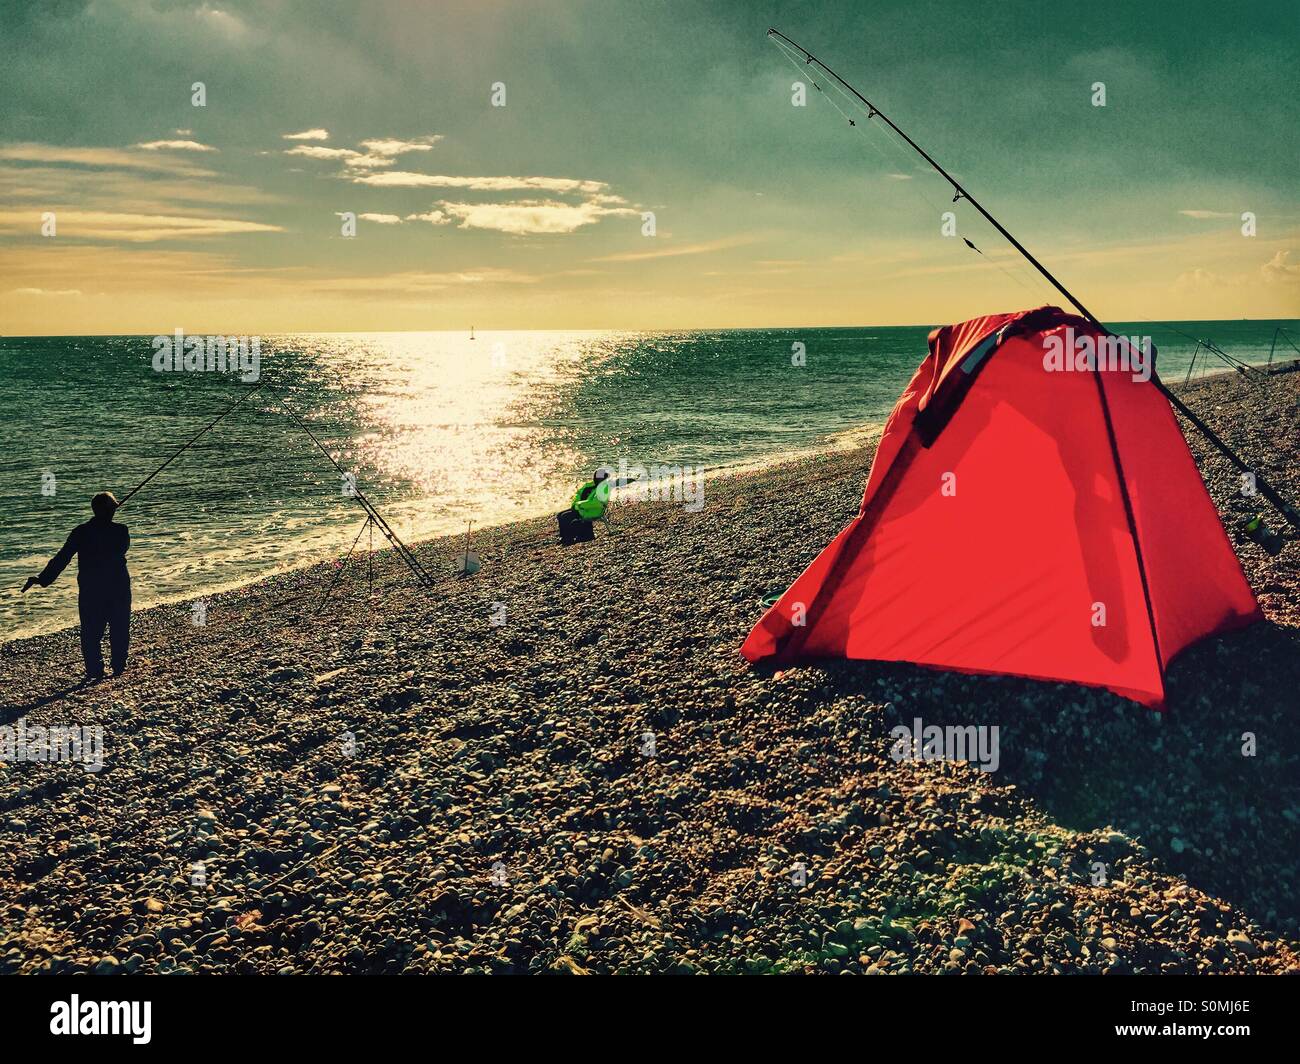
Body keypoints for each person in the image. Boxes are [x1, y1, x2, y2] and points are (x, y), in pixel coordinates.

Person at [23, 491, 132, 680]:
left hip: (91, 588)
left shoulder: (81, 532)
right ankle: (118, 666)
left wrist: (43, 579)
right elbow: (122, 548)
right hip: (118, 587)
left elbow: (63, 557)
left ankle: (95, 670)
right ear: (111, 510)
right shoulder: (121, 531)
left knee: (91, 631)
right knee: (119, 627)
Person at [556, 468, 611, 545]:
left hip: (593, 510)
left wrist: (579, 505)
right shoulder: (590, 485)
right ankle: (564, 537)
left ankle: (568, 539)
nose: (596, 479)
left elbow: (597, 503)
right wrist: (575, 503)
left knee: (565, 516)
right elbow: (579, 494)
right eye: (596, 477)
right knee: (560, 515)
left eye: (599, 477)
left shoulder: (603, 488)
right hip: (582, 508)